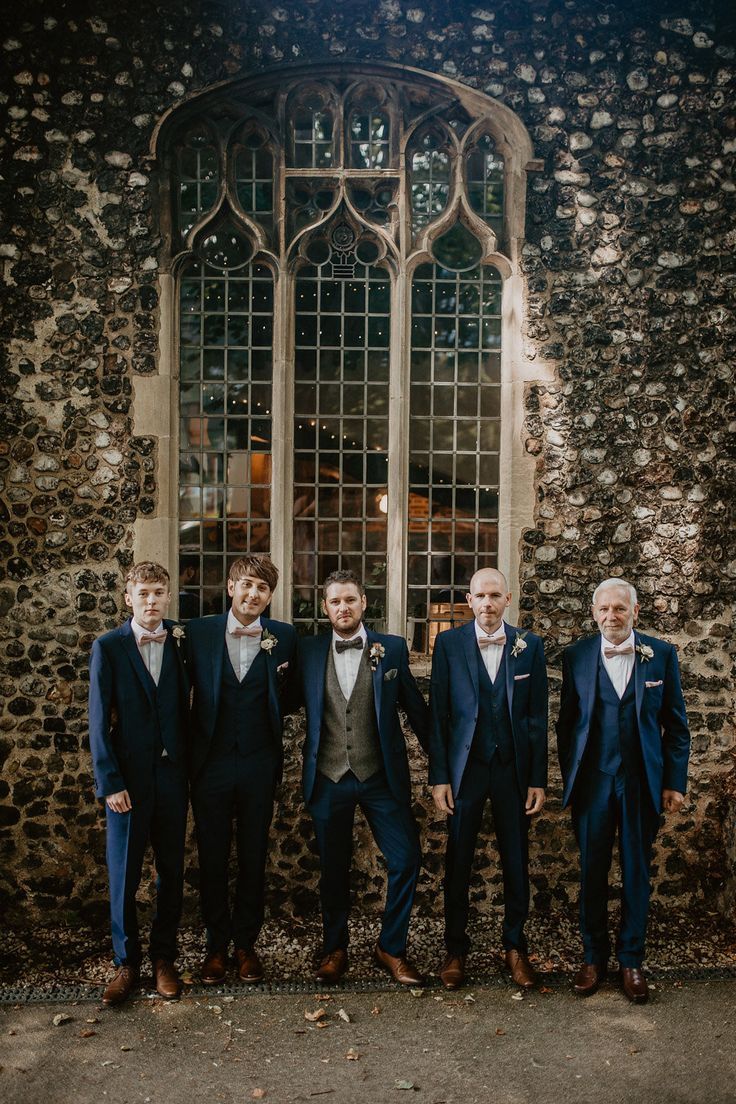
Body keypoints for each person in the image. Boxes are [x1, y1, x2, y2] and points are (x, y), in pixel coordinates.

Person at [556, 578, 690, 1003]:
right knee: (592, 872)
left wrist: (673, 782)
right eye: (603, 609)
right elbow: (566, 726)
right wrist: (571, 780)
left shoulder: (661, 654)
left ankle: (631, 960)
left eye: (619, 608)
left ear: (635, 611)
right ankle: (593, 957)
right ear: (593, 612)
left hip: (640, 782)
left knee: (636, 873)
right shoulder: (576, 656)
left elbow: (676, 727)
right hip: (593, 782)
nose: (611, 616)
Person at [299, 569, 429, 986]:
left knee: (406, 858)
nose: (343, 607)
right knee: (333, 869)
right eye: (335, 601)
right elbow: (275, 702)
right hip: (328, 776)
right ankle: (334, 949)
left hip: (379, 777)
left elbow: (415, 710)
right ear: (325, 608)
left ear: (364, 603)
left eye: (350, 600)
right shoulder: (308, 652)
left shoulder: (390, 649)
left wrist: (442, 770)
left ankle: (390, 948)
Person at [429, 567, 548, 991]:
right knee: (458, 861)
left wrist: (538, 778)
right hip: (466, 771)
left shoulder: (529, 646)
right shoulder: (447, 644)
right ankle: (455, 950)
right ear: (468, 599)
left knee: (516, 860)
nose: (487, 603)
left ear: (508, 599)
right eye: (480, 596)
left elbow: (537, 717)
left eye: (495, 595)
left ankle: (515, 947)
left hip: (513, 771)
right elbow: (439, 716)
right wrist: (439, 776)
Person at [187, 554, 297, 985]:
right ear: (231, 586)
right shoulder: (196, 633)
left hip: (258, 763)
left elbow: (290, 697)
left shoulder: (284, 637)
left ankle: (246, 946)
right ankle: (215, 947)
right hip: (210, 764)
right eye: (247, 585)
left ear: (270, 596)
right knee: (212, 857)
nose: (254, 594)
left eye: (263, 589)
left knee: (254, 857)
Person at [88, 561, 189, 1006]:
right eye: (143, 593)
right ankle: (125, 962)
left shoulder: (183, 642)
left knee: (172, 872)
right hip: (126, 783)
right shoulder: (108, 647)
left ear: (169, 597)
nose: (152, 601)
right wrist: (110, 782)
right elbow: (97, 720)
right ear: (128, 597)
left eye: (159, 593)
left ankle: (163, 958)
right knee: (124, 875)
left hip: (173, 778)